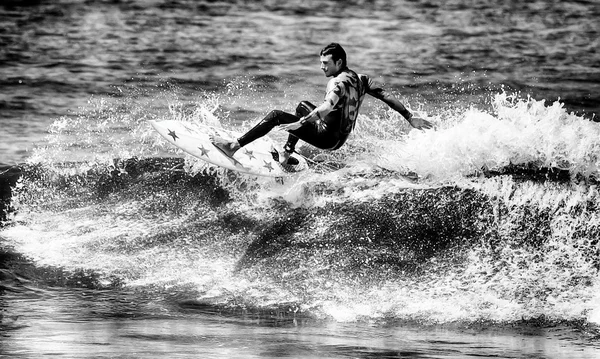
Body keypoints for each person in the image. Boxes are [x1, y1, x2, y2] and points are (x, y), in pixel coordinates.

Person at [212, 42, 433, 165]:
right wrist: (409, 117)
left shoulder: (337, 84)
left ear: (339, 62)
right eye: (321, 63)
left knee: (276, 115)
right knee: (301, 105)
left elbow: (326, 107)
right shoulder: (361, 79)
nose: (322, 67)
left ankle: (233, 147)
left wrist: (300, 124)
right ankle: (287, 153)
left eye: (326, 63)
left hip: (326, 138)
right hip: (339, 139)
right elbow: (386, 96)